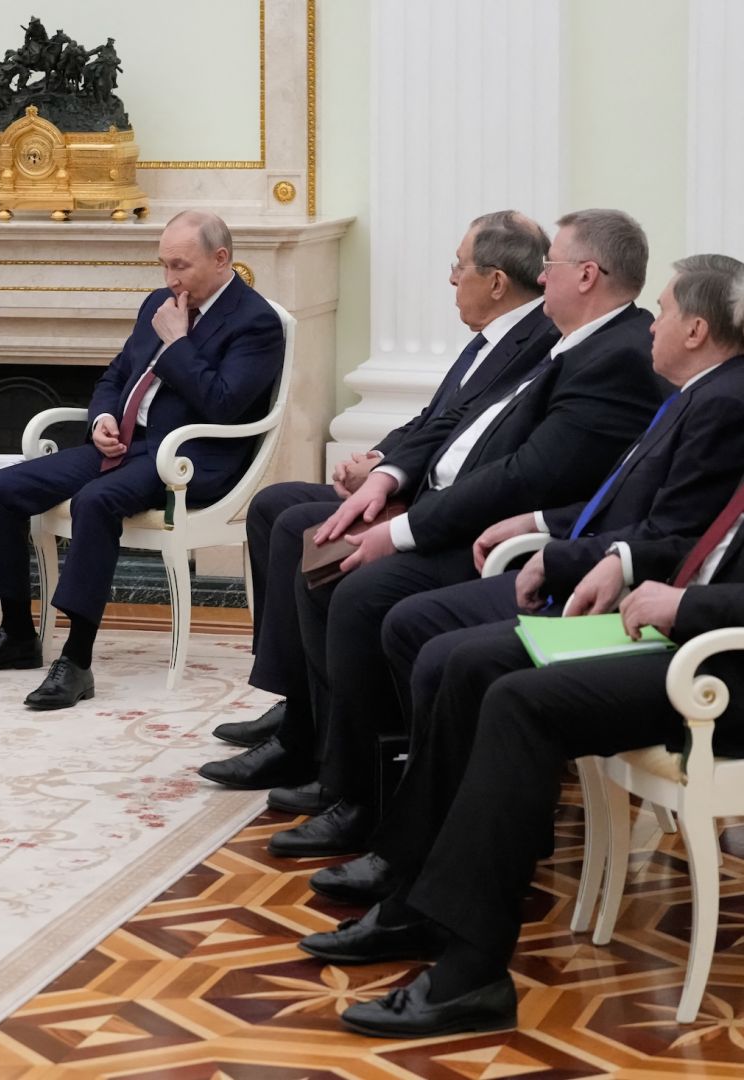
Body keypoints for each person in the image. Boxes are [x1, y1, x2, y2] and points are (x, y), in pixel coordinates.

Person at [201, 209, 663, 839]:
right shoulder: (575, 341)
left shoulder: (612, 352)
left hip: (509, 540)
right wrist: (392, 477)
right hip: (464, 509)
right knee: (310, 534)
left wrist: (405, 521)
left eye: (550, 266)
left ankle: (362, 793)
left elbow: (530, 472)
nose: (541, 277)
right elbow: (454, 425)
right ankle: (325, 747)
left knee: (358, 585)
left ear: (585, 275)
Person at [299, 253, 744, 888]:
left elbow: (667, 536)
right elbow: (635, 511)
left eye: (666, 313)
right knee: (414, 628)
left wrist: (579, 556)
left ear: (696, 331)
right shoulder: (692, 392)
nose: (652, 324)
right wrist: (543, 529)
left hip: (671, 634)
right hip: (595, 575)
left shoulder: (719, 400)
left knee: (430, 639)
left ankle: (439, 840)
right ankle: (423, 818)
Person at [316, 507, 744, 1038]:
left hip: (723, 668)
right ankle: (414, 898)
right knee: (472, 665)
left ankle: (472, 974)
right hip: (687, 640)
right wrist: (623, 565)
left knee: (522, 704)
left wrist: (687, 604)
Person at [210, 211, 559, 786]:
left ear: (496, 282)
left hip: (454, 511)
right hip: (417, 484)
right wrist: (380, 462)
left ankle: (309, 732)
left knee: (302, 523)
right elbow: (435, 421)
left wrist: (396, 484)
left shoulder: (532, 340)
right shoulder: (494, 340)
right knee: (275, 507)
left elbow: (471, 444)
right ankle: (299, 701)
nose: (451, 280)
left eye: (458, 267)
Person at [0, 210, 285, 710]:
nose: (170, 279)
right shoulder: (159, 302)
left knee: (95, 502)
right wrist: (102, 418)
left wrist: (177, 342)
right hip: (125, 444)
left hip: (186, 458)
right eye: (164, 266)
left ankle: (76, 661)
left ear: (221, 259)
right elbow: (116, 375)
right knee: (0, 490)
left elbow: (224, 403)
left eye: (181, 267)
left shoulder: (256, 322)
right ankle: (16, 634)